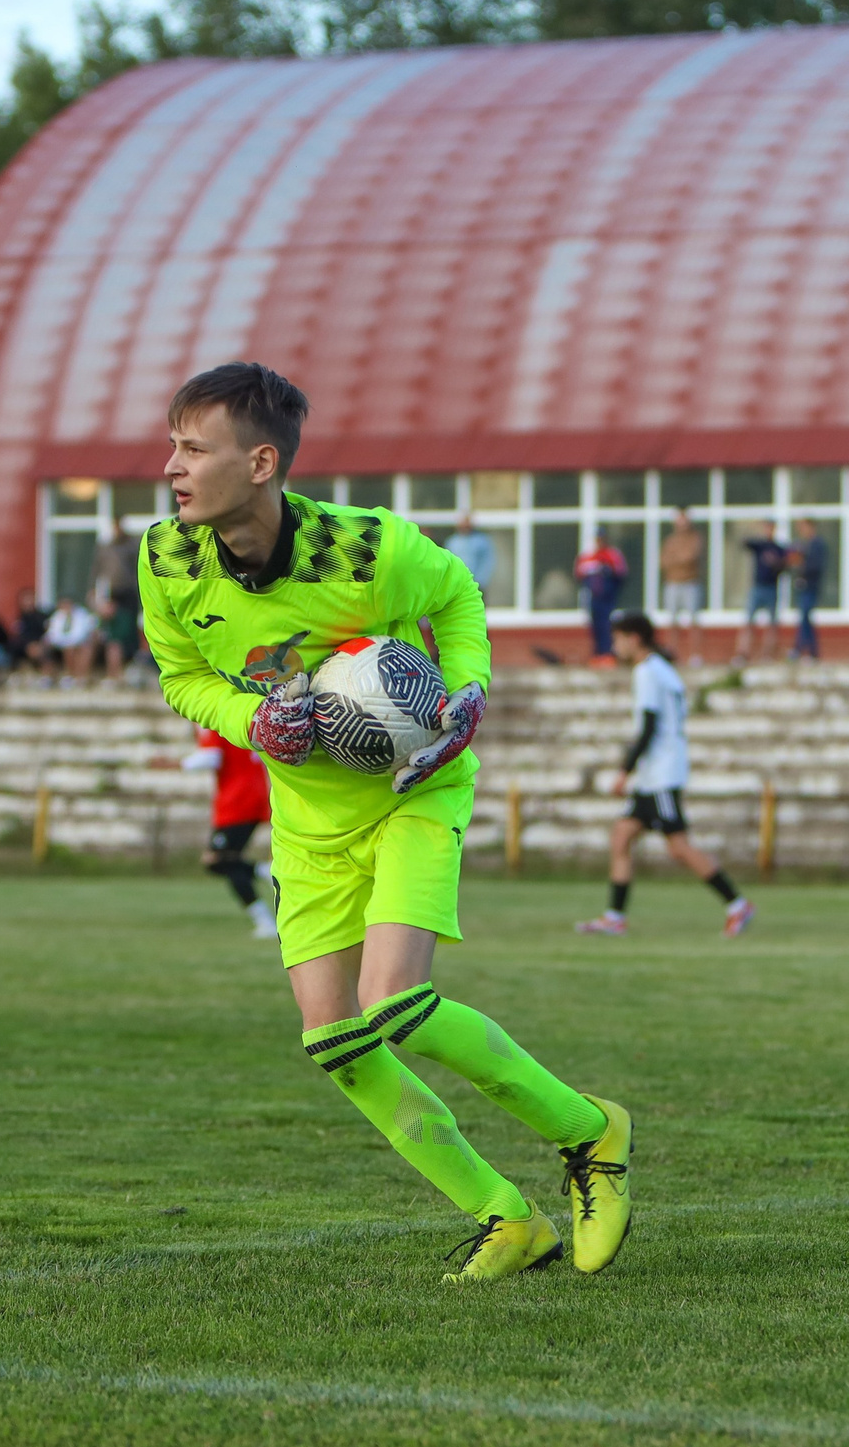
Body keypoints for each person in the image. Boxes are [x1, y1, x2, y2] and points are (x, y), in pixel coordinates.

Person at [141, 361, 633, 1282]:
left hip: (414, 791)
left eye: (191, 447)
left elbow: (456, 599)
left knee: (396, 1002)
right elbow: (182, 676)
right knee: (334, 1036)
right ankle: (504, 1215)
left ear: (260, 463)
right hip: (309, 819)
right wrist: (251, 719)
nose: (171, 464)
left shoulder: (368, 550)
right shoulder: (166, 557)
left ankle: (590, 1132)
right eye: (171, 443)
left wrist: (471, 686)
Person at [577, 612, 754, 939]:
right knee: (622, 835)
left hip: (660, 774)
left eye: (618, 639)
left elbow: (648, 728)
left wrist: (623, 772)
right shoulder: (661, 668)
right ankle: (615, 917)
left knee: (679, 847)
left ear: (634, 639)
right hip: (654, 774)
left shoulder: (646, 672)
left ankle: (737, 904)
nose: (615, 646)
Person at [183, 726, 278, 938]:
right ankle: (263, 872)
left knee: (219, 860)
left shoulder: (211, 719)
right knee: (219, 861)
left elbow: (211, 757)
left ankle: (265, 920)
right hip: (253, 793)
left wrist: (177, 764)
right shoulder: (233, 715)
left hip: (238, 800)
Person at [94, 520, 142, 681]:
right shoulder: (106, 549)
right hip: (113, 595)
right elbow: (97, 574)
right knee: (115, 637)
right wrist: (98, 598)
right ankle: (114, 673)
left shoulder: (131, 547)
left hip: (129, 594)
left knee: (126, 636)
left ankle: (123, 672)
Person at [575, 527, 629, 666]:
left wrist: (607, 572)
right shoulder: (588, 556)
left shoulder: (613, 554)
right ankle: (598, 654)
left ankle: (608, 654)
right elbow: (578, 573)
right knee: (595, 626)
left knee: (607, 626)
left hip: (608, 598)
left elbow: (621, 573)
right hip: (594, 598)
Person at [736, 520, 788, 662]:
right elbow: (744, 542)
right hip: (757, 587)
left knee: (771, 624)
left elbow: (785, 567)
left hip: (771, 588)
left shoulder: (779, 549)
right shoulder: (760, 546)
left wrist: (775, 563)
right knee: (749, 622)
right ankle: (743, 653)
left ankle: (767, 655)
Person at [657, 508, 705, 651]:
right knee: (672, 622)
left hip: (691, 584)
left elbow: (690, 557)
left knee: (694, 622)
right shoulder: (670, 540)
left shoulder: (695, 538)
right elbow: (663, 562)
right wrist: (679, 559)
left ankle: (696, 655)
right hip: (672, 584)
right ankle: (672, 652)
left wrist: (676, 558)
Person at [787, 517, 827, 661]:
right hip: (802, 586)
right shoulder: (802, 544)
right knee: (805, 618)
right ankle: (808, 651)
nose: (801, 531)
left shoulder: (817, 545)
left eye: (803, 527)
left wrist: (802, 564)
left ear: (811, 527)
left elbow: (816, 566)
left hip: (811, 587)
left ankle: (802, 650)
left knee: (805, 617)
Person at [40, 594, 101, 685]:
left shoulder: (81, 614)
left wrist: (71, 641)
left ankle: (79, 676)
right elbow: (52, 633)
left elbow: (83, 632)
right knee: (46, 647)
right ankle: (49, 676)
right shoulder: (57, 616)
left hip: (78, 641)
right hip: (60, 642)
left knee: (76, 649)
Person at [444, 511, 497, 591]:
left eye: (467, 523)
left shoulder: (481, 541)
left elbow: (487, 561)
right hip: (456, 584)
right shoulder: (452, 541)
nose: (465, 525)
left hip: (476, 584)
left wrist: (480, 581)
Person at [8, 587, 51, 673]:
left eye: (30, 599)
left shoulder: (42, 616)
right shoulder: (20, 618)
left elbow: (48, 632)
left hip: (41, 644)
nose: (28, 602)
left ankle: (46, 673)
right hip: (24, 646)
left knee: (38, 651)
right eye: (26, 600)